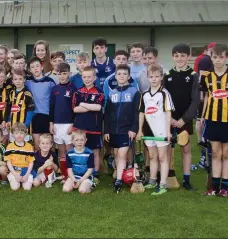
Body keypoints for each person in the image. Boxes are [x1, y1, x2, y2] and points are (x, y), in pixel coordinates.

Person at [199, 44, 228, 197]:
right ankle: (214, 187)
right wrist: (202, 116)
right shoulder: (206, 76)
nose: (217, 60)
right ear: (211, 57)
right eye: (215, 57)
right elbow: (205, 98)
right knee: (215, 153)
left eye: (221, 57)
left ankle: (224, 187)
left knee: (226, 153)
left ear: (226, 57)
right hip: (212, 119)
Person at [163, 43, 200, 191]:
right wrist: (170, 118)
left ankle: (186, 179)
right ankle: (166, 177)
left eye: (183, 56)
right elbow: (164, 99)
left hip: (184, 119)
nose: (179, 59)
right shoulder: (168, 75)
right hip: (169, 118)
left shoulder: (193, 76)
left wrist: (184, 120)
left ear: (188, 57)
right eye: (176, 56)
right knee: (167, 149)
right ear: (173, 57)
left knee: (185, 149)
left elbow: (196, 100)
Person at [137, 64, 174, 195]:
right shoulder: (145, 94)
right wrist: (140, 130)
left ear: (161, 77)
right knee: (152, 156)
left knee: (163, 157)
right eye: (151, 76)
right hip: (148, 130)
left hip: (161, 130)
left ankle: (163, 184)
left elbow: (168, 112)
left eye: (157, 76)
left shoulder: (164, 94)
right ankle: (152, 181)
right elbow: (141, 113)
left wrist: (168, 131)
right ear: (147, 77)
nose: (154, 79)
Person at [104, 64, 140, 193]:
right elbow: (107, 114)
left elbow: (137, 113)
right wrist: (107, 130)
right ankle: (123, 175)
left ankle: (118, 180)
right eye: (119, 74)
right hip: (114, 130)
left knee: (122, 153)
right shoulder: (112, 92)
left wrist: (134, 129)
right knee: (116, 154)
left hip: (127, 130)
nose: (121, 76)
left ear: (129, 76)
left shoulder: (134, 92)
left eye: (124, 74)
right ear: (115, 76)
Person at [72, 66, 104, 181]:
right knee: (80, 150)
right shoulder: (77, 92)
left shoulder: (99, 92)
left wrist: (83, 104)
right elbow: (75, 109)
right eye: (84, 77)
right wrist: (90, 106)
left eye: (89, 77)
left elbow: (98, 107)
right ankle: (81, 171)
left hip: (94, 127)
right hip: (80, 127)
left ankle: (95, 173)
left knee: (95, 151)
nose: (87, 79)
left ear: (94, 78)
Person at [49, 62, 75, 182]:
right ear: (57, 74)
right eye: (60, 74)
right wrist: (51, 123)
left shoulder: (73, 88)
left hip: (69, 124)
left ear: (69, 73)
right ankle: (64, 174)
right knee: (61, 152)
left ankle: (72, 175)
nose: (62, 76)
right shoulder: (54, 89)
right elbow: (52, 107)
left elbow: (76, 108)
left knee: (70, 151)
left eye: (65, 73)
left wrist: (74, 124)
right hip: (57, 125)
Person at [25, 57, 56, 150]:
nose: (35, 68)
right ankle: (39, 163)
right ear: (30, 70)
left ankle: (52, 163)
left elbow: (54, 101)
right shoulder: (27, 82)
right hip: (34, 115)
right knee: (38, 144)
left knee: (49, 145)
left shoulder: (50, 82)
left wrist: (52, 121)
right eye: (32, 67)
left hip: (47, 115)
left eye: (37, 66)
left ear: (42, 67)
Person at [5, 69, 35, 141]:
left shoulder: (27, 93)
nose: (18, 81)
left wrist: (26, 125)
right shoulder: (12, 93)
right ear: (12, 81)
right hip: (13, 126)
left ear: (24, 80)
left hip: (23, 127)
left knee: (24, 147)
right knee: (13, 146)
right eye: (15, 79)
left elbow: (30, 110)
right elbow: (10, 108)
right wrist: (8, 120)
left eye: (20, 79)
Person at [4, 122, 35, 191]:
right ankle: (15, 180)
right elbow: (8, 162)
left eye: (21, 133)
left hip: (26, 170)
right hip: (14, 170)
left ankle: (25, 179)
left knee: (27, 188)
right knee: (15, 188)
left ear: (25, 134)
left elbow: (31, 162)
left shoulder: (29, 146)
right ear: (13, 134)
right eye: (16, 133)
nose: (19, 135)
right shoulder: (10, 146)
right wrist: (15, 174)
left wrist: (27, 175)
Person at [62, 130, 94, 194]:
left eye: (82, 140)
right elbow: (69, 169)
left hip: (85, 177)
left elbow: (90, 170)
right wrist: (74, 180)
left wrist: (81, 180)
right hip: (73, 176)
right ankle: (73, 183)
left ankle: (90, 186)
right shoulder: (69, 153)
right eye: (77, 140)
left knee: (82, 190)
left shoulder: (89, 153)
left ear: (85, 140)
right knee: (66, 189)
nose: (79, 142)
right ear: (72, 141)